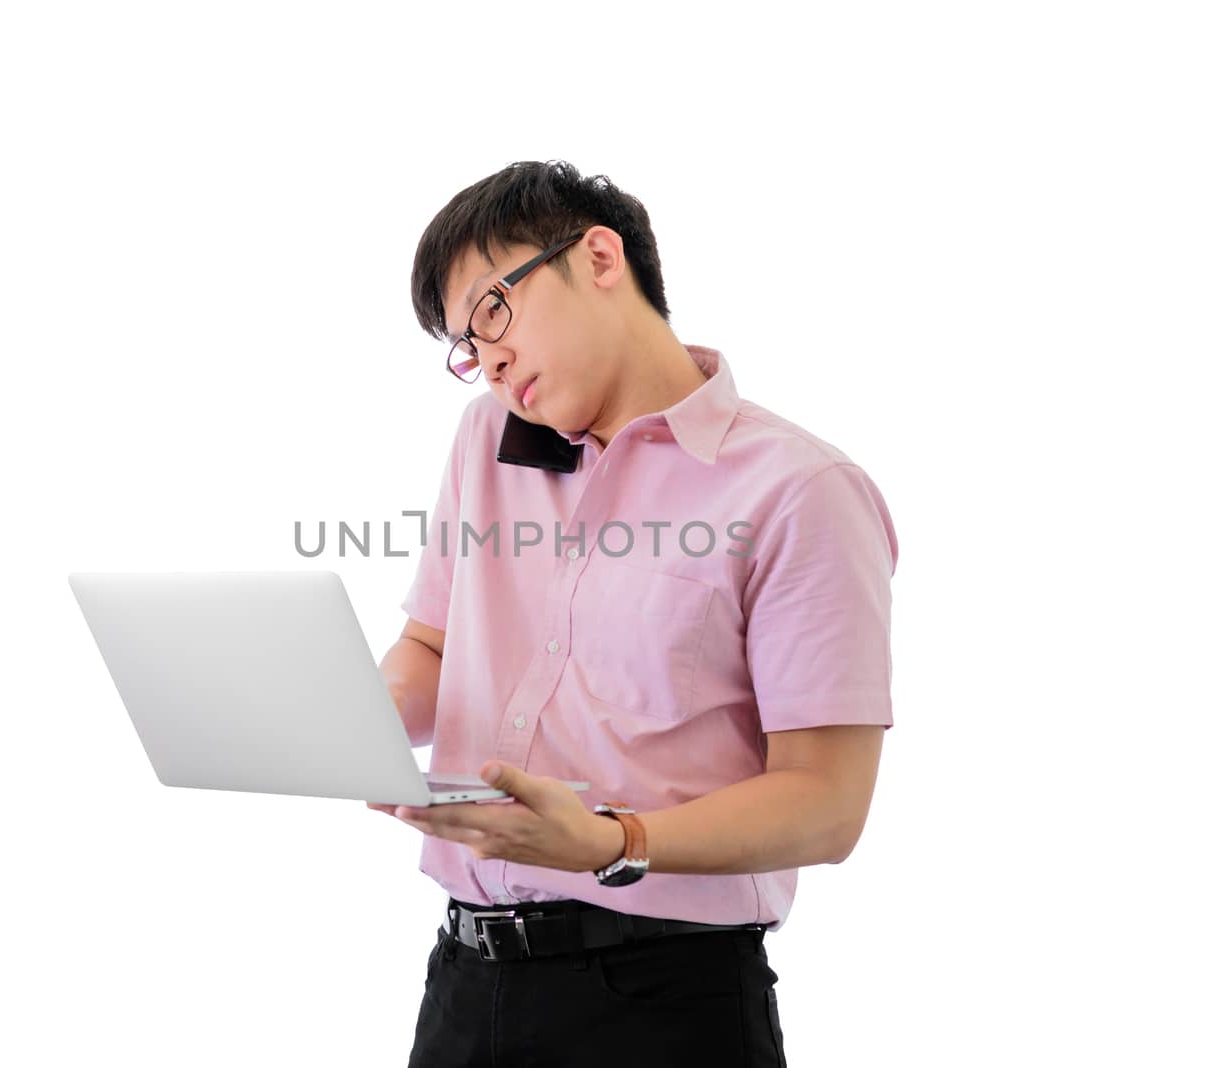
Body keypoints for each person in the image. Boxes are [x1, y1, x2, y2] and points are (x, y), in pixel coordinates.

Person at [367, 160, 898, 1067]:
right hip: (463, 988)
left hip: (663, 1004)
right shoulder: (485, 445)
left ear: (600, 256)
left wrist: (615, 844)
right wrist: (347, 722)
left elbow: (828, 805)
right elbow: (432, 645)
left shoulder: (800, 490)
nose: (485, 359)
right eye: (465, 344)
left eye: (492, 310)